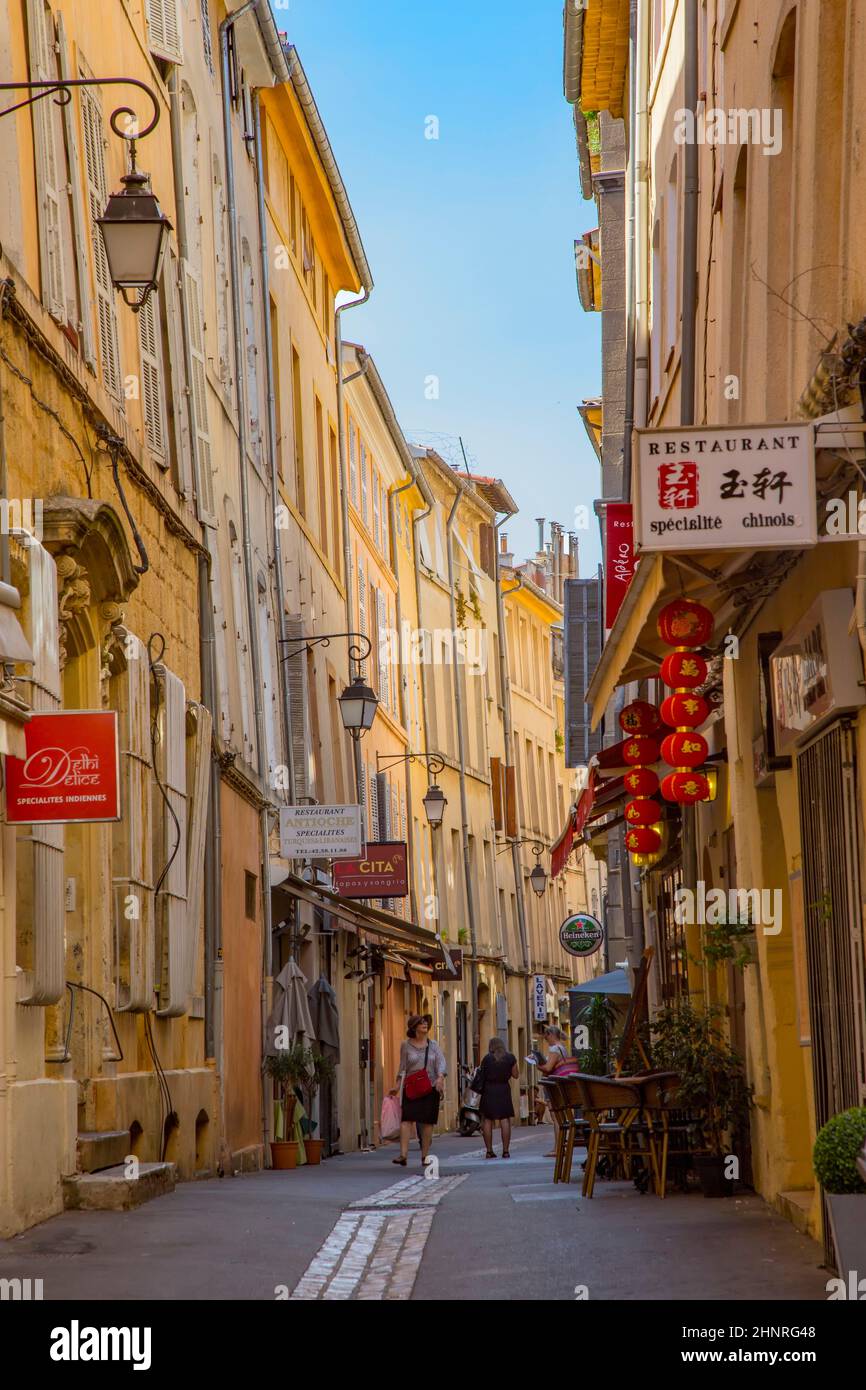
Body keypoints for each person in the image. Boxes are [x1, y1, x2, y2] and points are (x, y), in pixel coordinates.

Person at [391, 1014, 447, 1168]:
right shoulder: (406, 1045)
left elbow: (441, 1062)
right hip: (411, 1087)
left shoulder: (433, 1045)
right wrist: (396, 1086)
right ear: (414, 1027)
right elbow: (402, 1067)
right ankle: (403, 1155)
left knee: (427, 1122)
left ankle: (425, 1156)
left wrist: (441, 1077)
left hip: (430, 1086)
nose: (424, 1024)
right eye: (421, 1022)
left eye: (425, 1022)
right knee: (406, 1119)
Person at [538, 1025, 578, 1158]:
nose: (546, 1039)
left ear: (550, 1035)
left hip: (553, 1085)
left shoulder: (555, 1048)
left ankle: (557, 1148)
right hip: (560, 1084)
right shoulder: (562, 1048)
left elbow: (548, 1068)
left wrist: (537, 1064)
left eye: (546, 1036)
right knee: (560, 1117)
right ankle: (559, 1146)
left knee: (556, 1118)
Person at [476, 1036, 518, 1158]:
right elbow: (516, 1075)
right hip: (504, 1089)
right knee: (505, 1120)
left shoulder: (487, 1059)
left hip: (489, 1090)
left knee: (487, 1120)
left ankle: (489, 1151)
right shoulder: (510, 1058)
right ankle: (505, 1151)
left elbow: (481, 1075)